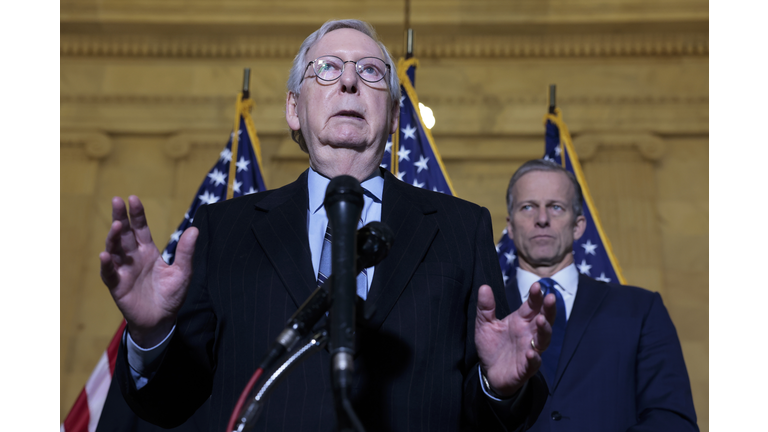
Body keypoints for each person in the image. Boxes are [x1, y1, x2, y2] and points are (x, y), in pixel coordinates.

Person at [100, 20, 554, 432]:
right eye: (327, 68)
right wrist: (151, 335)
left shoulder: (460, 228)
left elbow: (481, 413)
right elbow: (172, 404)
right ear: (294, 109)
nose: (351, 81)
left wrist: (499, 386)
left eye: (372, 72)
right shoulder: (225, 228)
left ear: (395, 116)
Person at [503, 159, 698, 431]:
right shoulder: (478, 311)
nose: (542, 219)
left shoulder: (640, 309)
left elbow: (672, 420)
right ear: (510, 226)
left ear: (579, 225)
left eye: (556, 207)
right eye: (528, 207)